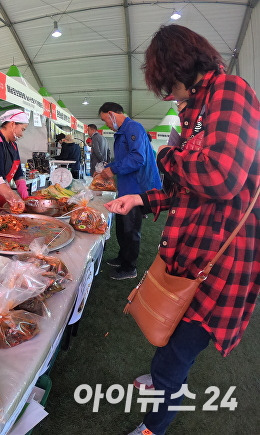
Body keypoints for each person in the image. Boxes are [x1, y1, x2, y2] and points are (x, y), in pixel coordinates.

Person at [104, 25, 259, 435]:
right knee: (167, 331)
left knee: (175, 353)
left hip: (222, 262)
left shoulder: (229, 91)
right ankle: (161, 382)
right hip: (193, 251)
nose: (166, 95)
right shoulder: (197, 110)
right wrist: (142, 199)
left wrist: (168, 154)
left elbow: (219, 177)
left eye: (166, 84)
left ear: (181, 67)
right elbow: (191, 189)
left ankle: (154, 425)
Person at [98, 102, 162, 280]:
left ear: (112, 114)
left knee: (131, 229)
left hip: (137, 187)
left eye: (106, 120)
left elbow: (137, 158)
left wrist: (114, 169)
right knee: (122, 227)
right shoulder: (122, 132)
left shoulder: (133, 128)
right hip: (126, 187)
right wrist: (108, 168)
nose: (107, 124)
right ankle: (122, 257)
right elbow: (124, 158)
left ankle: (129, 267)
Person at [0, 109, 30, 214]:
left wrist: (26, 198)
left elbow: (18, 172)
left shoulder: (13, 145)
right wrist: (12, 197)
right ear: (12, 124)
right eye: (23, 129)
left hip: (4, 195)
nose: (22, 134)